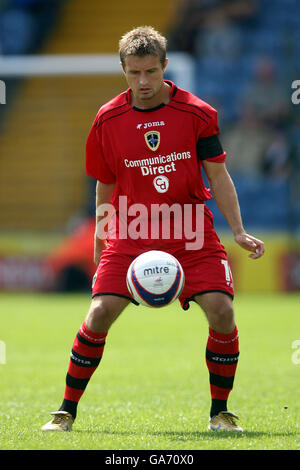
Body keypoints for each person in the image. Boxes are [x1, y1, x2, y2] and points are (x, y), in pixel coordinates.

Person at [41, 25, 265, 433]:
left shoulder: (198, 113)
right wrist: (101, 231)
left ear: (165, 66)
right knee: (98, 314)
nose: (142, 82)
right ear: (123, 70)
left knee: (222, 311)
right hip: (131, 232)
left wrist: (238, 230)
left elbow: (218, 175)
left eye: (150, 72)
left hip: (191, 232)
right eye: (133, 73)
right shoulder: (107, 119)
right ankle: (65, 412)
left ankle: (220, 412)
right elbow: (104, 180)